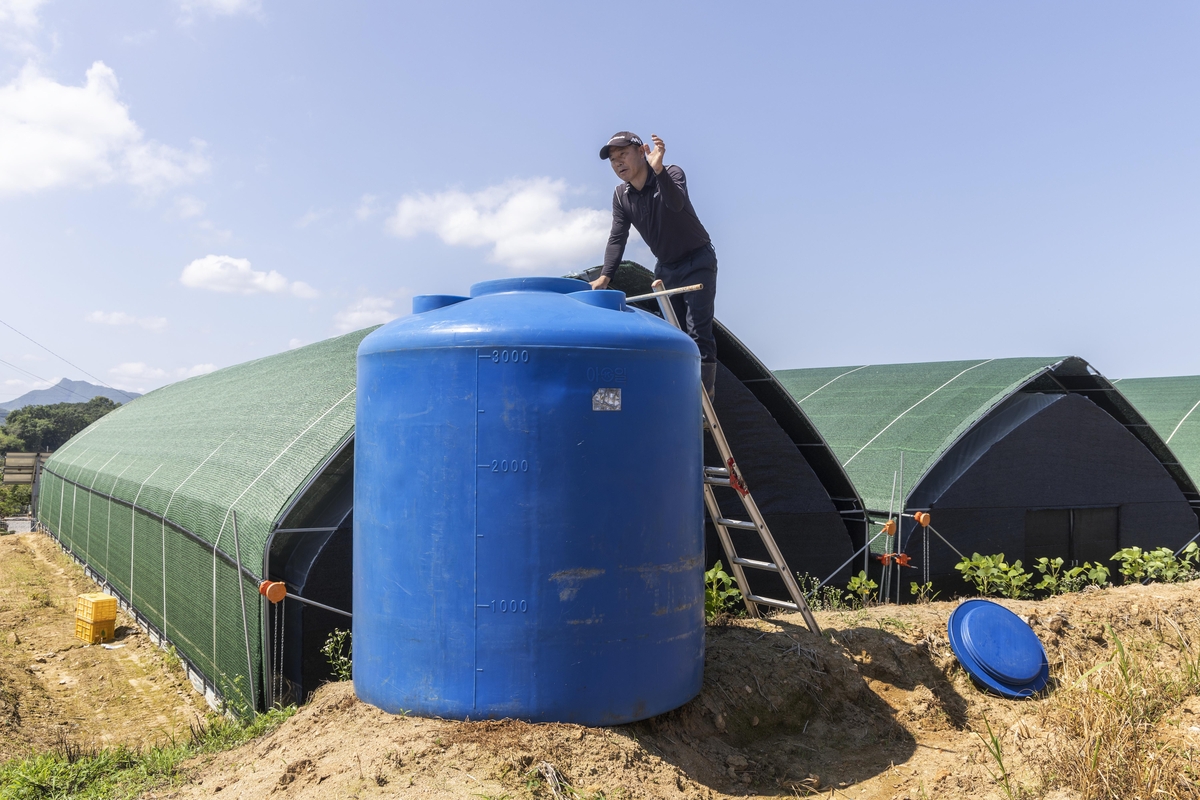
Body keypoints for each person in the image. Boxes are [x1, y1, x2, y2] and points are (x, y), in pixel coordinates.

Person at [592, 131, 718, 399]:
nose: (618, 163)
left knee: (697, 333)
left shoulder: (671, 173)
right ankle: (675, 396)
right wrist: (605, 277)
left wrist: (658, 170)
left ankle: (704, 402)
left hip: (698, 260)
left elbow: (676, 203)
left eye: (623, 155)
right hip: (667, 268)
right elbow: (617, 237)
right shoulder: (621, 195)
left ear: (641, 152)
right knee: (673, 336)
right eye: (613, 160)